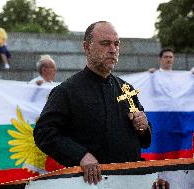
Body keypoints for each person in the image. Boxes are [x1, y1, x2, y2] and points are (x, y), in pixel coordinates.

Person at [33, 21, 151, 185]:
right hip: (90, 184)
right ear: (86, 46)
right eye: (105, 43)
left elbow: (145, 140)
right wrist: (80, 155)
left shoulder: (126, 89)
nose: (112, 49)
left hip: (131, 181)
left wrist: (144, 128)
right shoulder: (66, 91)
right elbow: (44, 133)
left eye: (116, 44)